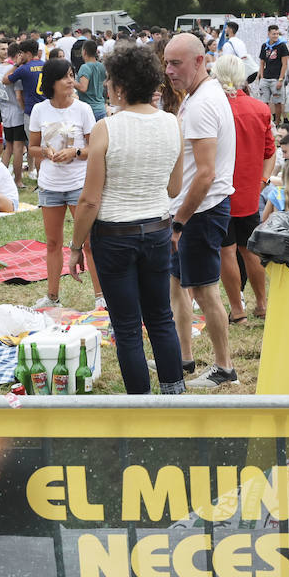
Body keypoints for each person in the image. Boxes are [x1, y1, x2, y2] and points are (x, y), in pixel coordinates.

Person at [66, 42, 185, 395]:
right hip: (158, 229)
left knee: (128, 327)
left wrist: (75, 248)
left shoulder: (107, 128)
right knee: (161, 318)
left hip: (115, 235)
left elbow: (89, 200)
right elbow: (174, 186)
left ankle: (141, 403)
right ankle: (174, 394)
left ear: (119, 86)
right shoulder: (171, 124)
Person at [164, 32, 237, 388]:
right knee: (177, 286)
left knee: (207, 292)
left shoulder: (202, 103)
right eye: (166, 63)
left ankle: (224, 369)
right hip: (193, 212)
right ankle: (183, 357)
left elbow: (205, 175)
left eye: (175, 63)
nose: (168, 71)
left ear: (199, 61)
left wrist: (179, 221)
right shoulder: (198, 96)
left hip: (200, 213)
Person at [28, 58, 101, 309]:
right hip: (50, 185)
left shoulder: (83, 110)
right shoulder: (40, 110)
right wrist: (46, 153)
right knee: (52, 243)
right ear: (52, 82)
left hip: (79, 184)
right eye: (65, 77)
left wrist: (75, 153)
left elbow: (94, 148)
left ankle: (101, 298)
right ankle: (52, 297)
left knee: (89, 243)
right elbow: (33, 147)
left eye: (72, 75)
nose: (71, 81)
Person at [211, 55, 273, 324]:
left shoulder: (212, 109)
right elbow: (270, 152)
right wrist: (262, 181)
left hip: (219, 191)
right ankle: (262, 304)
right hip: (249, 191)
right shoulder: (260, 109)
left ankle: (238, 310)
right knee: (250, 250)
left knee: (227, 250)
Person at [0, 43, 29, 185]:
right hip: (17, 112)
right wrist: (24, 110)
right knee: (18, 147)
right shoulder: (15, 71)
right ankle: (18, 180)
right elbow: (19, 96)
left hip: (4, 110)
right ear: (19, 55)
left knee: (8, 147)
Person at [257, 24, 289, 122]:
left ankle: (277, 122)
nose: (275, 36)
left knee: (277, 102)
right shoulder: (265, 46)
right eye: (273, 34)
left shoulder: (282, 46)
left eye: (277, 34)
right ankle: (266, 121)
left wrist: (280, 79)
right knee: (264, 102)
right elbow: (262, 62)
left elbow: (284, 64)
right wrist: (262, 76)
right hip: (266, 78)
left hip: (276, 78)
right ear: (268, 34)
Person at [76, 40, 107, 121]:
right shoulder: (101, 66)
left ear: (84, 52)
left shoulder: (85, 67)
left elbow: (83, 88)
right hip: (101, 108)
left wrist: (71, 81)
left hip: (89, 110)